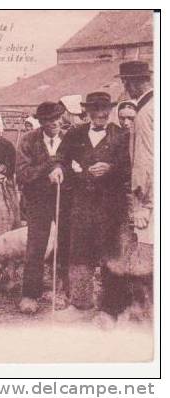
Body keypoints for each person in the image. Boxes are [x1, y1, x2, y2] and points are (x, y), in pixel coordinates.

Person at [51, 92, 131, 324]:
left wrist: (110, 168)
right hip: (81, 205)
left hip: (110, 206)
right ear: (86, 111)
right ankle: (81, 304)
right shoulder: (75, 133)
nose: (100, 114)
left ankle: (110, 309)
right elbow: (60, 157)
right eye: (95, 109)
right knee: (80, 253)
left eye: (104, 109)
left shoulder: (122, 135)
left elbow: (129, 168)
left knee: (111, 255)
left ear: (110, 110)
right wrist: (57, 169)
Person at [16, 101, 71, 314]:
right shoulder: (28, 140)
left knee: (66, 244)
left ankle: (65, 292)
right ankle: (30, 294)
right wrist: (50, 167)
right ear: (41, 122)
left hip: (64, 199)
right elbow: (22, 173)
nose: (55, 123)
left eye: (58, 118)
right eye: (49, 120)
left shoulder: (69, 138)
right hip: (38, 200)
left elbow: (76, 166)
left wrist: (64, 171)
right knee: (36, 246)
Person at [114, 61, 154, 322]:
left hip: (151, 197)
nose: (125, 88)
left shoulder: (145, 113)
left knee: (145, 253)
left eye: (126, 83)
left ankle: (145, 311)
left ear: (132, 83)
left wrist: (142, 203)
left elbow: (145, 160)